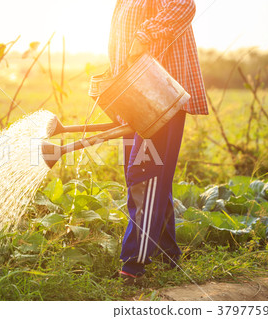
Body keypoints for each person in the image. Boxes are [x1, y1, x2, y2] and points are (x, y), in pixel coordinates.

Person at [108, 0, 209, 282]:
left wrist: (145, 36)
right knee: (151, 177)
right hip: (134, 99)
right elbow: (122, 48)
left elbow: (184, 5)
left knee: (145, 175)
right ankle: (166, 252)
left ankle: (133, 264)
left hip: (161, 97)